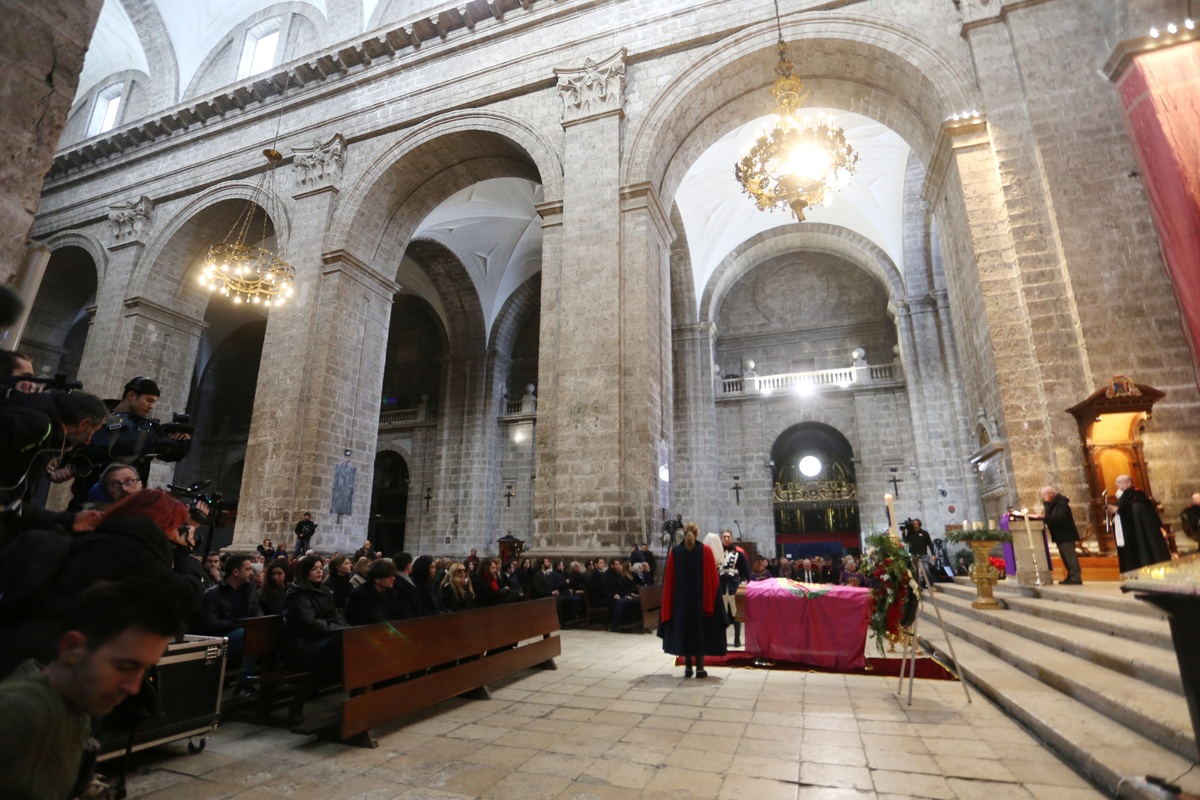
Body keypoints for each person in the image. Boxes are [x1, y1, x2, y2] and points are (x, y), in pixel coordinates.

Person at [0, 580, 182, 800]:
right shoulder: (17, 716)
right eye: (124, 667)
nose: (133, 688)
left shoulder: (77, 707)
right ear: (72, 648)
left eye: (143, 670)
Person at [62, 377, 192, 510]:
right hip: (85, 499)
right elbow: (71, 447)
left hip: (126, 507)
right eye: (149, 400)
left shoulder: (147, 430)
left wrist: (180, 441)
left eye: (154, 402)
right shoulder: (98, 417)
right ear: (131, 395)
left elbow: (172, 454)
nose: (151, 406)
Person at [0, 389, 109, 534]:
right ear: (83, 424)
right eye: (93, 431)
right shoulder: (38, 425)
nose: (89, 441)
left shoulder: (40, 417)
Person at [657, 521, 726, 678]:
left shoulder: (675, 552)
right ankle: (700, 669)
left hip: (681, 603)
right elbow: (712, 580)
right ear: (697, 533)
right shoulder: (706, 550)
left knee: (685, 633)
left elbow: (669, 581)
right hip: (701, 602)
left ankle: (688, 668)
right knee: (700, 634)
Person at [197, 553, 263, 696]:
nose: (251, 573)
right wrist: (242, 625)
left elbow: (256, 611)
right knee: (252, 635)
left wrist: (258, 622)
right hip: (219, 638)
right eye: (248, 569)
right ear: (235, 572)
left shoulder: (248, 589)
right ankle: (242, 684)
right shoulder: (212, 594)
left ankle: (270, 682)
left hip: (241, 632)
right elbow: (211, 624)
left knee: (268, 631)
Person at [282, 554, 347, 681]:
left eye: (320, 568)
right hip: (303, 646)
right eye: (313, 569)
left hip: (320, 641)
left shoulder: (324, 590)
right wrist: (337, 630)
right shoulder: (298, 594)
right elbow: (309, 623)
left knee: (354, 638)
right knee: (341, 642)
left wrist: (347, 629)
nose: (319, 571)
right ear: (304, 572)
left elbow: (335, 615)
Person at [1108, 474, 1171, 573]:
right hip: (1133, 531)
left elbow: (1128, 509)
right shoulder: (1127, 495)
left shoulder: (1137, 495)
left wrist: (1118, 510)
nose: (1116, 484)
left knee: (1145, 549)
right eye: (1116, 482)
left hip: (1139, 531)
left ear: (1128, 483)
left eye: (1119, 482)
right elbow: (1121, 507)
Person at [1039, 486, 1082, 585]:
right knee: (1065, 558)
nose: (1042, 497)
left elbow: (1061, 519)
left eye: (1044, 494)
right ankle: (1070, 576)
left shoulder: (1062, 505)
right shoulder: (1052, 505)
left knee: (1070, 557)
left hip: (1066, 535)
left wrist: (1044, 518)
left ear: (1051, 494)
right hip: (1059, 536)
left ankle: (1076, 577)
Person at [345, 559, 408, 626]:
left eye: (393, 575)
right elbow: (370, 619)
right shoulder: (359, 595)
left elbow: (400, 612)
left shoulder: (392, 592)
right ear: (377, 579)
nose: (393, 578)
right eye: (389, 576)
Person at [716, 529, 750, 648]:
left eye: (728, 537)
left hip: (734, 584)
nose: (726, 539)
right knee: (722, 612)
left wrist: (748, 582)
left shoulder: (738, 552)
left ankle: (736, 637)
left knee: (736, 612)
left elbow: (745, 569)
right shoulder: (716, 551)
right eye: (724, 537)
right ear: (721, 538)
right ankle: (723, 639)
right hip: (721, 584)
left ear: (731, 538)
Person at [903, 519, 935, 584]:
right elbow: (906, 541)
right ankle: (917, 586)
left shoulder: (924, 533)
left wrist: (933, 554)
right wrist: (903, 533)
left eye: (915, 524)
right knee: (914, 571)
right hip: (913, 554)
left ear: (919, 524)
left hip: (923, 555)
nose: (914, 525)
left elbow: (930, 544)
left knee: (926, 569)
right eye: (913, 524)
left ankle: (931, 585)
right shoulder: (910, 533)